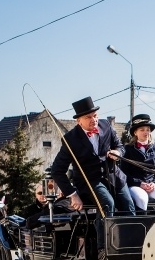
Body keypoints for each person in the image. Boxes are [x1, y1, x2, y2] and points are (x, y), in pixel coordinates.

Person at [50, 96, 135, 251]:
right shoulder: (70, 139)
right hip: (90, 181)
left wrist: (117, 152)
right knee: (108, 204)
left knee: (129, 205)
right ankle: (104, 249)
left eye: (95, 116)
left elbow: (120, 146)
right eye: (88, 117)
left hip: (114, 177)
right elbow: (57, 171)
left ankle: (131, 246)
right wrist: (72, 194)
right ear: (78, 121)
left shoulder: (106, 126)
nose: (93, 120)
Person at [122, 113, 155, 212]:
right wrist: (139, 183)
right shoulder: (128, 149)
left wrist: (154, 184)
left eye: (148, 130)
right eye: (142, 130)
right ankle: (142, 226)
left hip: (152, 185)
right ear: (135, 132)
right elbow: (124, 174)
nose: (146, 132)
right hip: (135, 185)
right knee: (142, 199)